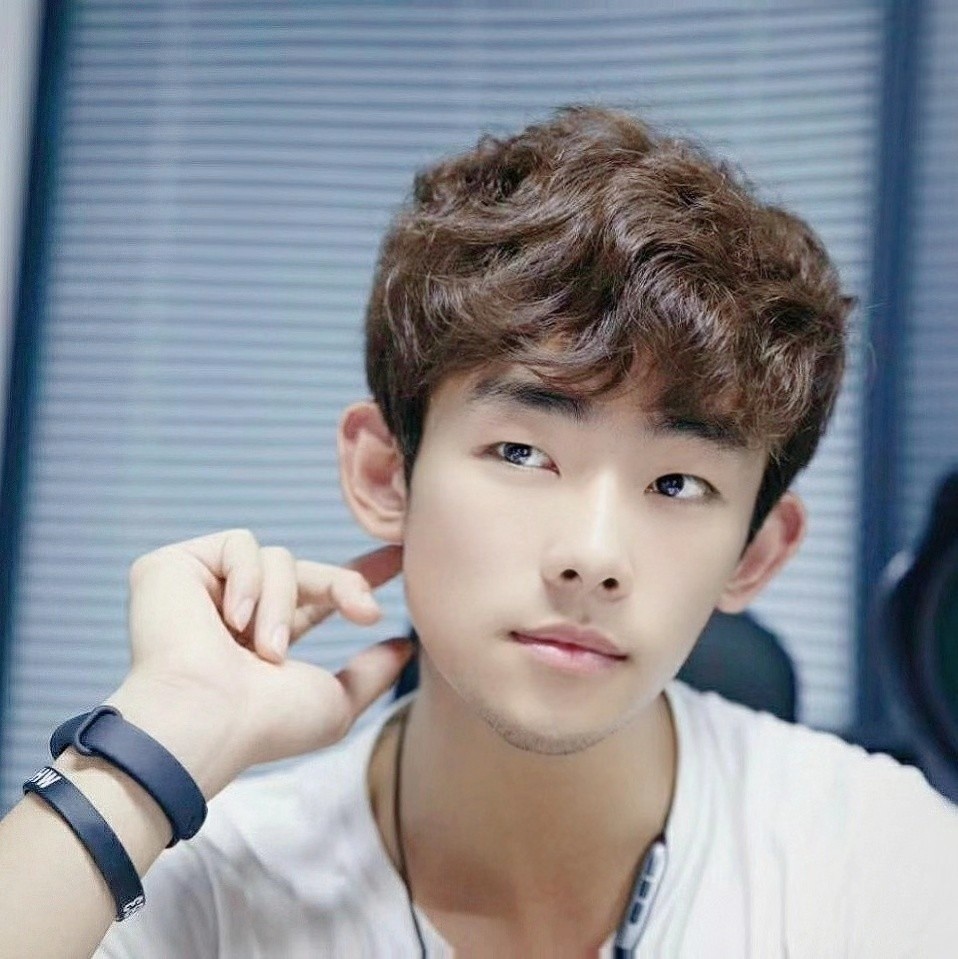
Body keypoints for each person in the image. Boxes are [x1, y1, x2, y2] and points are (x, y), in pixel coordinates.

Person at [1, 104, 957, 959]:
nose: (592, 556)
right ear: (386, 475)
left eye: (677, 481)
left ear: (756, 551)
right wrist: (147, 746)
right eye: (522, 453)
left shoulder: (879, 858)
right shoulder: (191, 890)